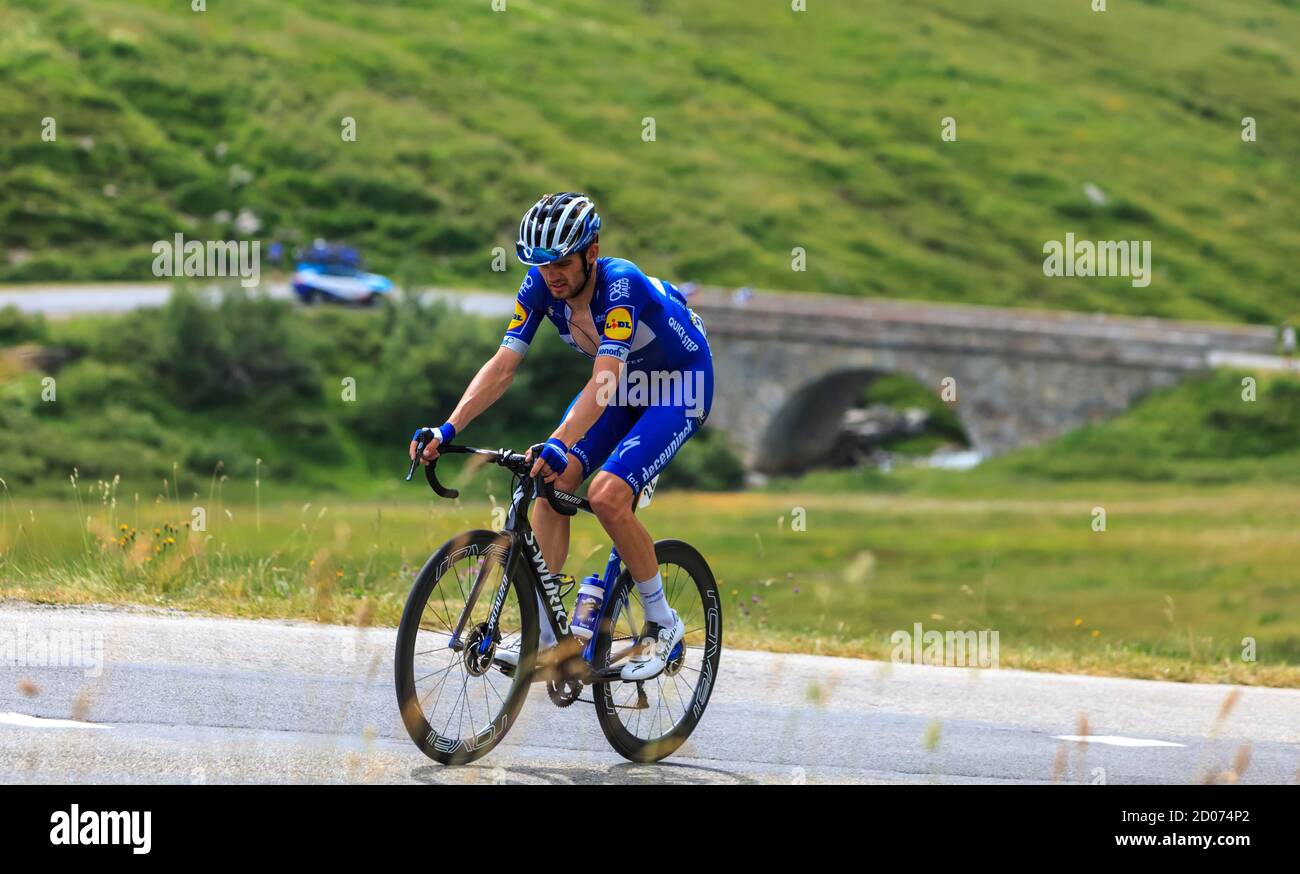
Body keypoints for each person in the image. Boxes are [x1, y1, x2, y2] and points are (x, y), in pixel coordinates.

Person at [409, 192, 714, 681]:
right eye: (540, 264)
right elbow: (504, 365)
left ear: (591, 252)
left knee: (607, 494)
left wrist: (559, 437)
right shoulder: (539, 287)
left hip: (678, 384)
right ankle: (550, 641)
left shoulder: (620, 285)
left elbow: (606, 378)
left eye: (562, 263)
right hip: (621, 385)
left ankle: (663, 622)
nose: (551, 275)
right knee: (550, 485)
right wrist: (447, 428)